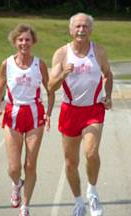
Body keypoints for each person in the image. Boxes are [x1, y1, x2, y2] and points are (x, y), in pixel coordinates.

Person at [48, 12, 113, 216]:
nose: (81, 30)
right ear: (70, 29)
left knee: (91, 153)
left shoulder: (99, 52)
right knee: (70, 162)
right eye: (77, 26)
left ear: (90, 29)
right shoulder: (61, 54)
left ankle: (92, 192)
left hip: (93, 110)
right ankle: (78, 202)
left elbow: (108, 74)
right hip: (70, 111)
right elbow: (50, 86)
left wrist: (108, 95)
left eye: (85, 26)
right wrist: (63, 74)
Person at [0, 24, 54, 216]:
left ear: (33, 41)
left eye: (27, 39)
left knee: (30, 164)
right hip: (12, 114)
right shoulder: (7, 64)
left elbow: (50, 90)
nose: (24, 43)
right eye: (20, 39)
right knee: (14, 167)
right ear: (15, 41)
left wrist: (49, 112)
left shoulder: (39, 64)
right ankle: (16, 183)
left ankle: (25, 206)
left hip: (35, 114)